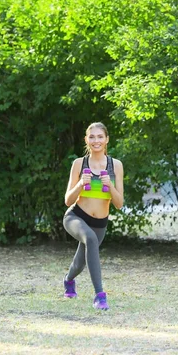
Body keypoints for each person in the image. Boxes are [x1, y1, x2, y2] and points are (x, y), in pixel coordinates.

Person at [62, 122, 124, 310]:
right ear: (86, 140)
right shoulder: (79, 164)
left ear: (106, 140)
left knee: (79, 263)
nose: (95, 140)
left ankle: (68, 280)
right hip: (76, 217)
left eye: (99, 137)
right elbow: (67, 199)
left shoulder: (116, 165)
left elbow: (119, 204)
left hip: (99, 223)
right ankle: (100, 296)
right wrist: (80, 184)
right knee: (89, 239)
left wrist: (110, 185)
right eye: (92, 137)